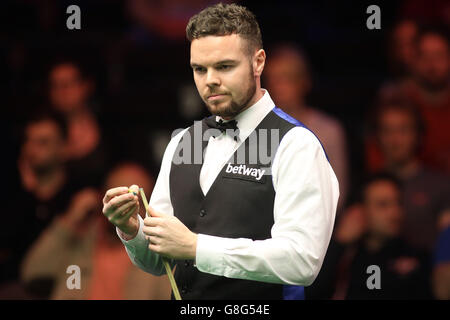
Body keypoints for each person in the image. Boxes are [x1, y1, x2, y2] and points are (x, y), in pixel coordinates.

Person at [101, 3, 339, 300]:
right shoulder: (182, 142)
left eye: (224, 66)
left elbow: (302, 261)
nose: (210, 79)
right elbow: (158, 263)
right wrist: (132, 229)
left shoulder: (296, 145)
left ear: (258, 62)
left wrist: (196, 247)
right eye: (199, 69)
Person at [21, 162, 171, 300]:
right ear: (102, 200)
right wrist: (68, 221)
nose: (124, 208)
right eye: (117, 198)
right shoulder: (81, 238)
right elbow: (32, 272)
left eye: (133, 200)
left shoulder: (156, 252)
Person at [306, 173, 432, 299]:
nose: (395, 213)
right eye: (383, 205)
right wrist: (339, 243)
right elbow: (309, 292)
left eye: (398, 203)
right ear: (360, 211)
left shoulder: (416, 257)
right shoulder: (347, 256)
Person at [1, 110, 82, 294]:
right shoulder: (12, 195)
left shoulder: (77, 197)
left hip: (64, 286)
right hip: (15, 288)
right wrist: (28, 194)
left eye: (43, 142)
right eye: (29, 141)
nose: (32, 149)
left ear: (64, 148)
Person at [264, 43, 348, 209]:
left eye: (285, 78)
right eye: (272, 79)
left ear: (304, 82)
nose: (276, 87)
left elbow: (337, 195)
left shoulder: (329, 130)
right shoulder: (255, 130)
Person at [373, 101, 450, 252]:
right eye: (387, 131)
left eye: (403, 130)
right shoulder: (367, 186)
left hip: (426, 272)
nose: (395, 140)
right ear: (378, 136)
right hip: (377, 272)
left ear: (418, 135)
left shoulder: (441, 186)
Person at [48, 59, 109, 187]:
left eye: (68, 84)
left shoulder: (109, 127)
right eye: (55, 85)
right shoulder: (40, 131)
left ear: (86, 86)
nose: (62, 92)